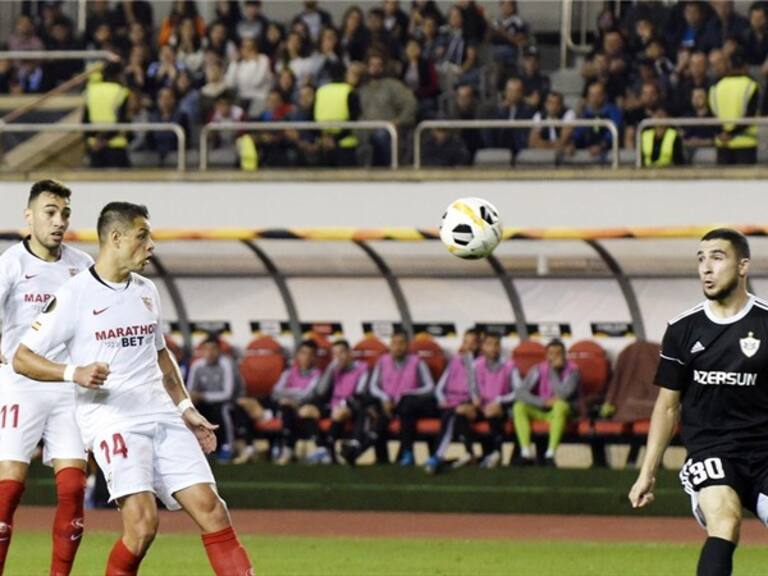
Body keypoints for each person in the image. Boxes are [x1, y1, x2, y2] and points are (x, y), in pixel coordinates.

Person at [13, 202, 253, 575]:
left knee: (213, 509)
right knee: (142, 526)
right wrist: (72, 372)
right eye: (143, 236)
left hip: (161, 411)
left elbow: (161, 356)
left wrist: (186, 408)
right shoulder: (75, 294)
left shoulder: (146, 290)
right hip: (112, 418)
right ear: (116, 238)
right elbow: (23, 358)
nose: (151, 245)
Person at [629, 228, 768, 576]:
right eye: (701, 259)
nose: (706, 267)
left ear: (742, 266)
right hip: (712, 450)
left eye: (718, 257)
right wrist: (648, 472)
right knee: (725, 519)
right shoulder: (683, 329)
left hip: (765, 452)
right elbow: (667, 406)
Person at [0, 180, 93, 576]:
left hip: (68, 387)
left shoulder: (83, 265)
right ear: (30, 216)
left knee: (73, 490)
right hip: (20, 384)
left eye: (65, 213)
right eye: (50, 212)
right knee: (8, 490)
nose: (59, 222)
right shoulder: (9, 264)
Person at [345, 330, 436, 466]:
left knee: (404, 406)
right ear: (390, 345)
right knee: (368, 405)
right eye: (394, 343)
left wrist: (408, 393)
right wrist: (385, 397)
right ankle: (364, 450)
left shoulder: (417, 362)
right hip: (387, 403)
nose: (397, 347)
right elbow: (373, 386)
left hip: (408, 404)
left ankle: (361, 450)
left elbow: (430, 387)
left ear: (407, 345)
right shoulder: (382, 361)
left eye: (401, 343)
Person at [513, 339, 579, 467]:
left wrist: (553, 371)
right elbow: (520, 393)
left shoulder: (573, 370)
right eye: (551, 354)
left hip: (563, 413)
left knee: (560, 405)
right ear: (546, 355)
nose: (554, 357)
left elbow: (563, 394)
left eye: (558, 353)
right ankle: (525, 452)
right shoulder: (538, 369)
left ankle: (550, 453)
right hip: (542, 409)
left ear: (564, 355)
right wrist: (542, 402)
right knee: (519, 406)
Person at [423, 329, 480, 474]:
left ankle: (437, 456)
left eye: (473, 343)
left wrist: (471, 404)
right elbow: (440, 386)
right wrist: (442, 399)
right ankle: (468, 453)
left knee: (453, 416)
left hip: (464, 404)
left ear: (478, 345)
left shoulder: (479, 364)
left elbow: (479, 391)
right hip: (448, 402)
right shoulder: (455, 360)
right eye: (466, 342)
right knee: (450, 413)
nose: (468, 346)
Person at [306, 339, 368, 464]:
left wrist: (344, 404)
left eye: (341, 353)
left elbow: (361, 393)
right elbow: (320, 391)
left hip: (352, 407)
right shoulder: (334, 369)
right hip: (333, 406)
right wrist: (330, 369)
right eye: (334, 354)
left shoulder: (362, 368)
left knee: (339, 413)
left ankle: (327, 448)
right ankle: (322, 447)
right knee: (306, 411)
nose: (338, 357)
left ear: (350, 353)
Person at [186, 335, 240, 463]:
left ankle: (227, 447)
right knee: (190, 411)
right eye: (206, 349)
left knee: (222, 410)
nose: (209, 353)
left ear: (219, 351)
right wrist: (193, 398)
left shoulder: (226, 364)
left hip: (227, 402)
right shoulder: (197, 365)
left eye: (213, 349)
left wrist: (203, 396)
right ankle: (196, 448)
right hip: (204, 402)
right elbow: (189, 391)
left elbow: (228, 393)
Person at [271, 339, 323, 465]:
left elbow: (308, 394)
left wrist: (288, 394)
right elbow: (276, 391)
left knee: (288, 407)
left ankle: (287, 448)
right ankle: (286, 448)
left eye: (310, 354)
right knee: (284, 406)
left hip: (304, 407)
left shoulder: (318, 374)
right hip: (285, 405)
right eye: (303, 353)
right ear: (298, 355)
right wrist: (293, 395)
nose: (306, 357)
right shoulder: (289, 372)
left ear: (315, 357)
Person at [472, 333, 518, 469]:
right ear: (482, 347)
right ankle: (471, 454)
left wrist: (500, 400)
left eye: (496, 344)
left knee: (493, 411)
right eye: (489, 344)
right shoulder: (476, 365)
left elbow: (518, 392)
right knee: (462, 412)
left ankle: (496, 452)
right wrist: (475, 398)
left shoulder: (509, 365)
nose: (493, 348)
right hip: (481, 406)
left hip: (503, 406)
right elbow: (472, 387)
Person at [709, 47, 759, 165]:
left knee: (723, 182)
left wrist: (723, 133)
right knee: (746, 183)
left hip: (722, 142)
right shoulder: (751, 86)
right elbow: (750, 116)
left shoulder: (715, 87)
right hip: (746, 142)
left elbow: (711, 115)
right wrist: (732, 134)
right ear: (746, 66)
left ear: (730, 65)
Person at [82, 62, 130, 168]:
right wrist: (105, 140)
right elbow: (122, 122)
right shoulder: (121, 91)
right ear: (118, 74)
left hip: (94, 147)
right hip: (116, 146)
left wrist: (96, 141)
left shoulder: (90, 91)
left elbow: (84, 122)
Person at [528, 91, 576, 155]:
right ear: (545, 104)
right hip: (544, 154)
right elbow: (532, 143)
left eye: (556, 103)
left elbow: (563, 141)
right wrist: (554, 145)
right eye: (550, 103)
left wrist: (543, 144)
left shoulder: (568, 114)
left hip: (562, 153)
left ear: (561, 105)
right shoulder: (539, 115)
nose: (553, 106)